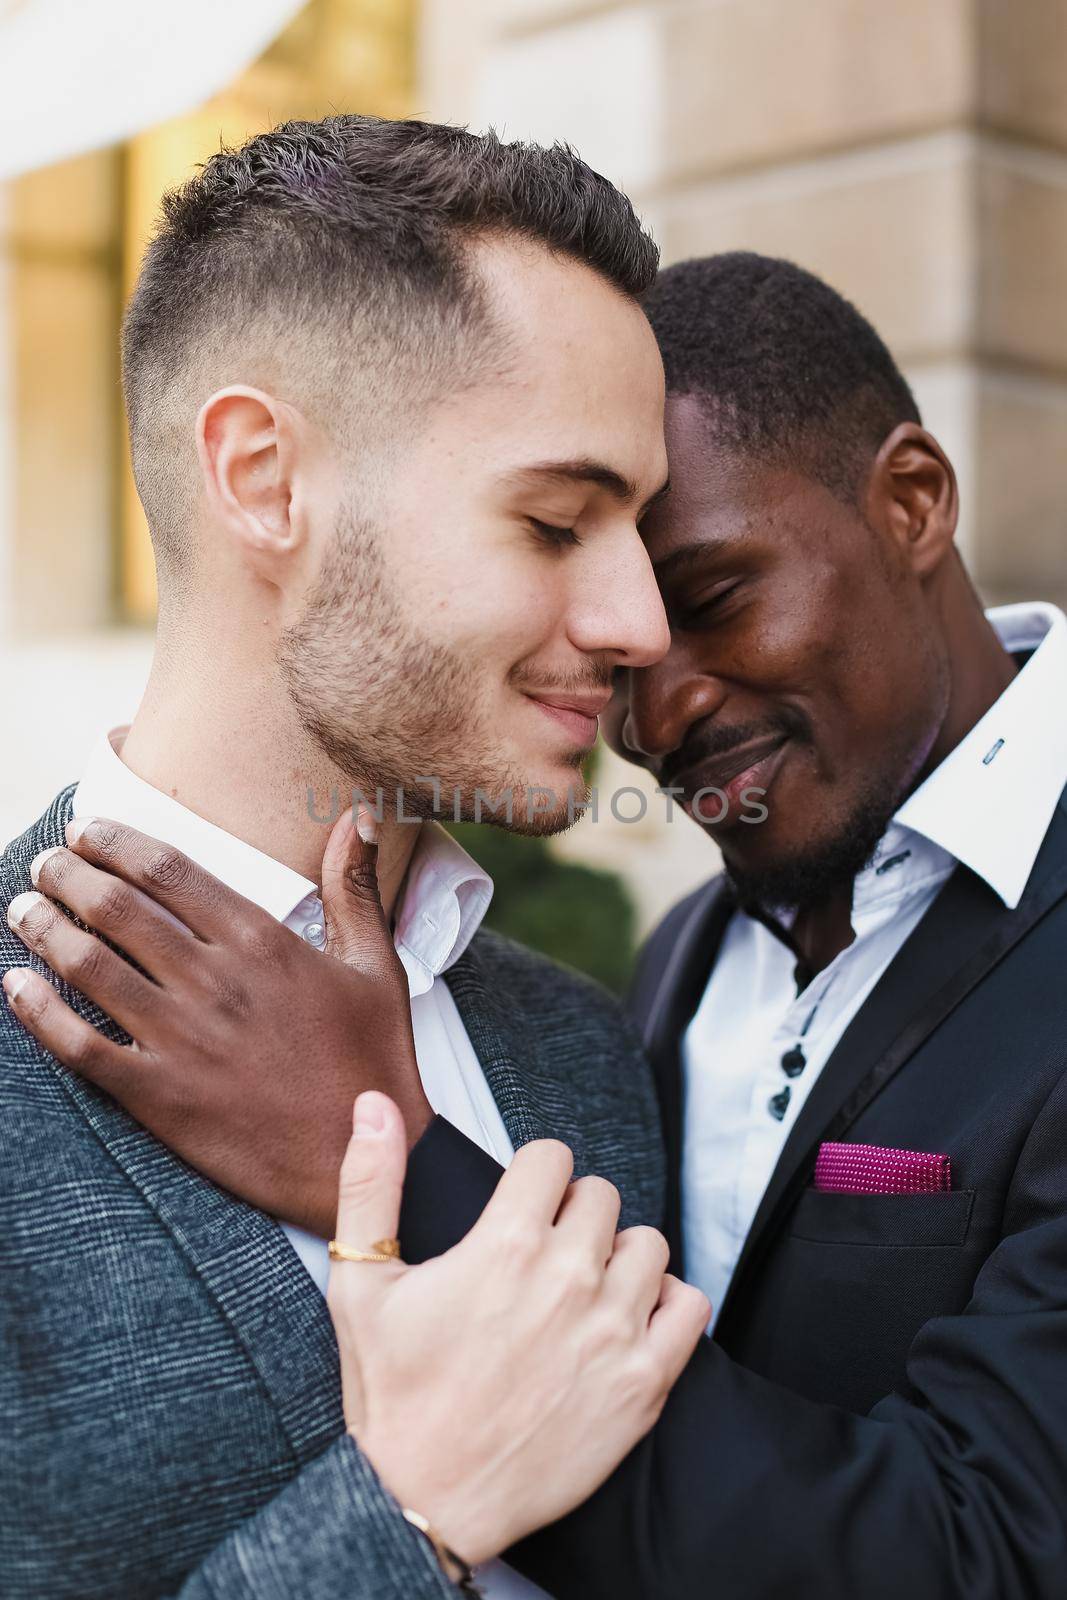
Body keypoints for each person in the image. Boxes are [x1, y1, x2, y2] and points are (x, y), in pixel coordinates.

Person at [17, 247, 1067, 1599]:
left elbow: (990, 1552)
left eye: (711, 597)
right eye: (553, 527)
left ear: (914, 502)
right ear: (265, 485)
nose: (648, 693)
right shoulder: (681, 964)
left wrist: (380, 1148)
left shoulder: (561, 1034)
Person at [0, 116, 714, 1600]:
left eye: (637, 529)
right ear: (264, 480)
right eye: (556, 519)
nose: (642, 621)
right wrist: (408, 1516)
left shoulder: (587, 1049)